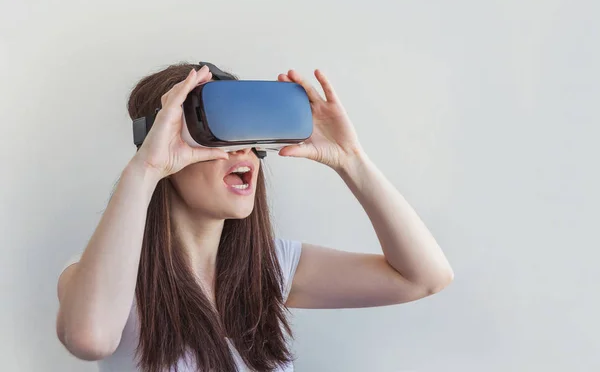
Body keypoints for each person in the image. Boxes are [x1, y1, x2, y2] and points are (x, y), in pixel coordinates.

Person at [55, 62, 454, 372]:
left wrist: (351, 160)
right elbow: (90, 339)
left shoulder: (272, 267)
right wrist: (145, 168)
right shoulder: (102, 275)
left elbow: (424, 277)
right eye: (218, 137)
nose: (241, 152)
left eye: (248, 139)